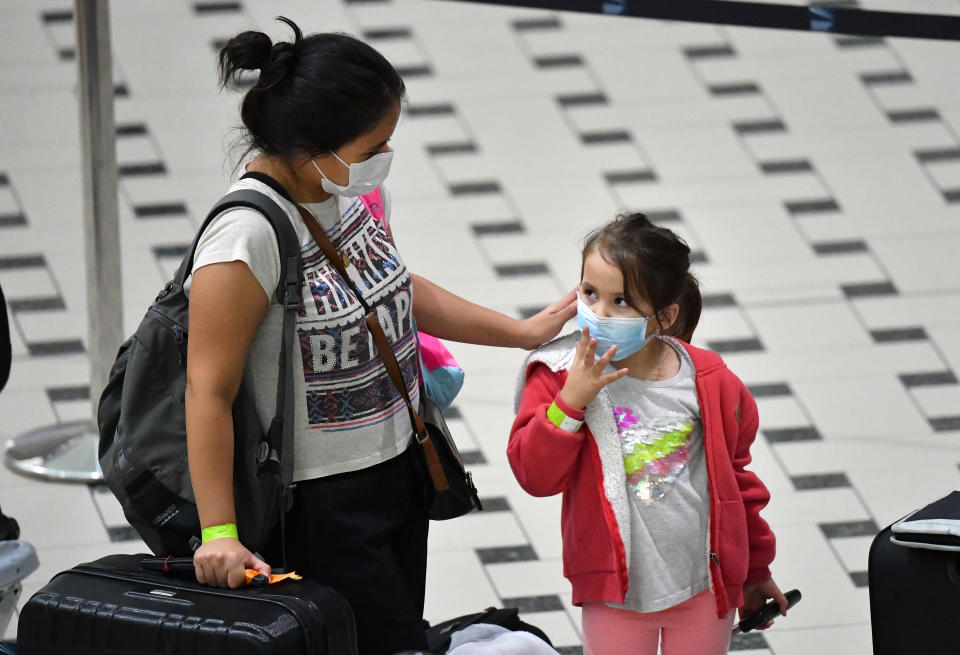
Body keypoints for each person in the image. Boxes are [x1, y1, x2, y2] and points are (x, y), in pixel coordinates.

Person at [185, 17, 575, 655]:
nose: (382, 163)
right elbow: (208, 391)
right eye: (372, 149)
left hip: (394, 472)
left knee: (394, 637)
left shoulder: (328, 192)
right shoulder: (243, 241)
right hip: (320, 506)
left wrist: (520, 332)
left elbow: (390, 283)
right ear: (312, 145)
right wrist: (219, 532)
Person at [507, 214, 788, 655]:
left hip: (704, 588)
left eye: (622, 302)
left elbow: (736, 481)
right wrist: (571, 404)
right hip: (614, 593)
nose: (598, 312)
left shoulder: (710, 381)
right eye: (590, 292)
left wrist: (754, 568)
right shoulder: (559, 375)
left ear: (664, 316)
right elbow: (535, 476)